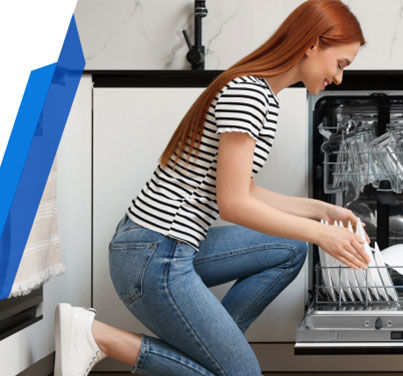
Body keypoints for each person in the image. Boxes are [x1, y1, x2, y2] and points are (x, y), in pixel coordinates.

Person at [54, 1, 369, 375]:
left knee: (290, 249)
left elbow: (246, 191)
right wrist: (321, 234)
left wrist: (323, 211)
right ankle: (97, 336)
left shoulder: (261, 95)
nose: (339, 77)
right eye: (340, 64)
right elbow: (233, 204)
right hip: (154, 253)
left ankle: (216, 353)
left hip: (154, 245)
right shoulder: (249, 95)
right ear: (312, 44)